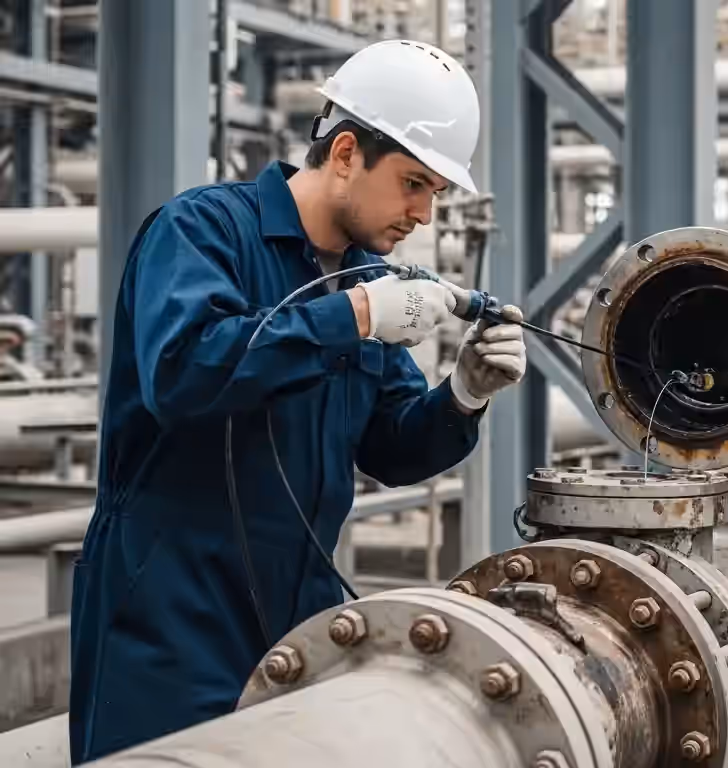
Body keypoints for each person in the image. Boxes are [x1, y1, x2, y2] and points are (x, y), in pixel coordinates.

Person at [69, 40, 527, 762]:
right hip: (169, 615)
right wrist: (354, 319)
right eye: (413, 183)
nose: (424, 215)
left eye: (435, 192)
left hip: (300, 618)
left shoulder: (365, 279)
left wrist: (464, 395)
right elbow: (184, 374)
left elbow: (393, 449)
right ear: (345, 152)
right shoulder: (201, 231)